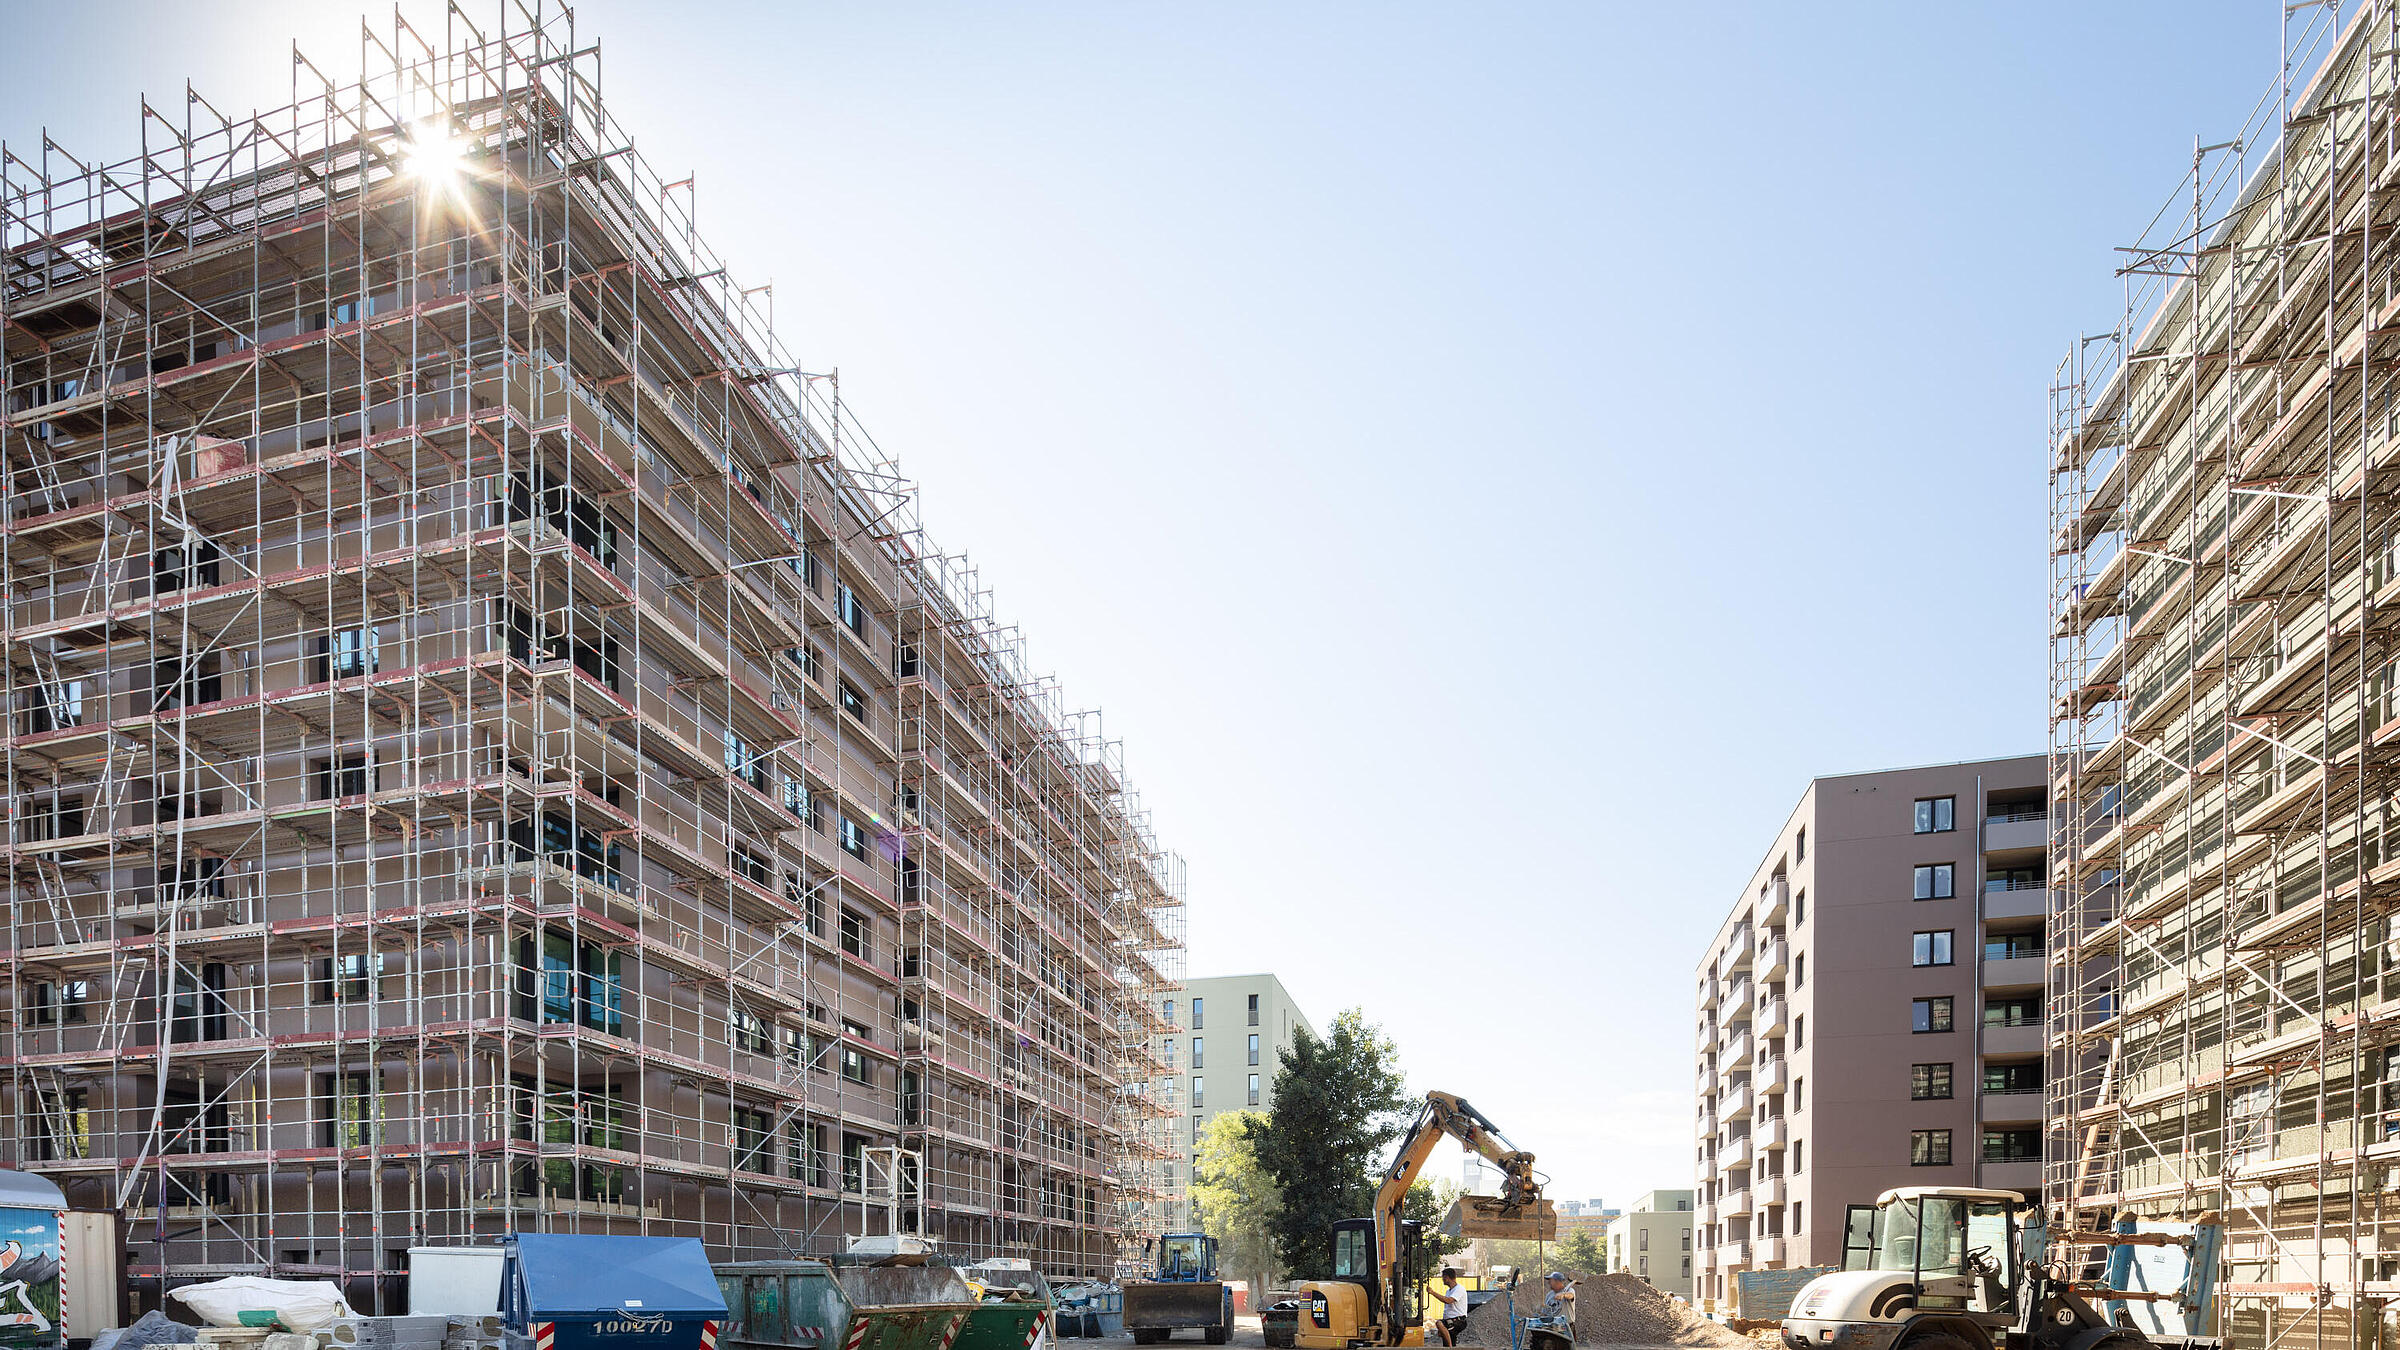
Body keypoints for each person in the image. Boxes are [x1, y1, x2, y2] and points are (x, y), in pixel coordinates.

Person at [1433, 1268, 1469, 1346]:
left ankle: (1450, 1348)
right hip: (1450, 1320)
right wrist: (1442, 1328)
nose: (1442, 1279)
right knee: (1448, 1341)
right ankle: (1450, 1346)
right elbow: (1447, 1309)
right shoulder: (1448, 1291)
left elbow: (1448, 1301)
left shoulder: (1459, 1289)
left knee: (1439, 1323)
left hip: (1458, 1321)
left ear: (1448, 1277)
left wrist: (1433, 1293)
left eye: (1443, 1277)